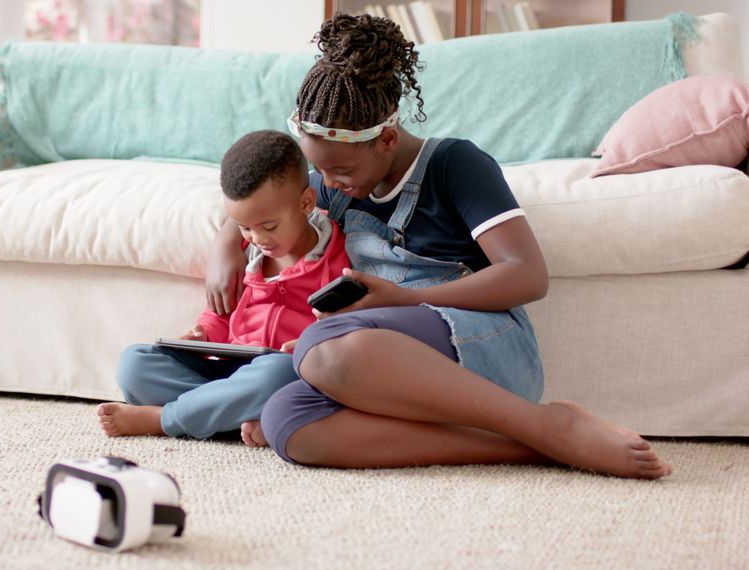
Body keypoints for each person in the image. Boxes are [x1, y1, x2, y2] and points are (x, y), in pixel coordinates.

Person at [214, 14, 673, 479]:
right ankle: (537, 443)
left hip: (482, 345)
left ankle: (544, 422)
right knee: (286, 422)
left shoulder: (456, 165)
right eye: (322, 173)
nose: (329, 185)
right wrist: (224, 249)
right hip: (394, 366)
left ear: (387, 139)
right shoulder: (337, 181)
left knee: (321, 345)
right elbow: (267, 204)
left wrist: (407, 299)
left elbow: (528, 274)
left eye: (341, 174)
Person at [98, 130, 351, 442]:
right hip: (232, 370)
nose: (257, 239)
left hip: (287, 373)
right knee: (134, 364)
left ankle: (165, 419)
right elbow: (220, 314)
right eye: (244, 228)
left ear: (306, 202)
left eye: (269, 226)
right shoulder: (246, 255)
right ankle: (243, 415)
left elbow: (348, 328)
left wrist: (310, 345)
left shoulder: (341, 257)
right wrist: (202, 334)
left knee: (275, 374)